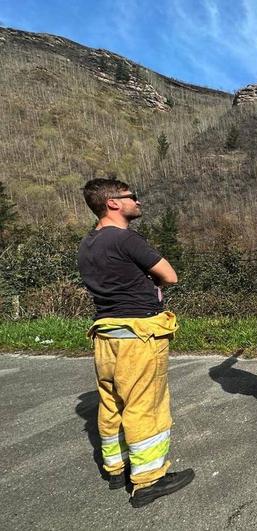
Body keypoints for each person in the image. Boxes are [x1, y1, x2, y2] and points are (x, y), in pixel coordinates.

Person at [78, 178, 194, 508]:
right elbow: (170, 275)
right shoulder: (127, 240)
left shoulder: (88, 243)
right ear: (113, 203)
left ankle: (116, 469)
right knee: (145, 405)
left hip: (106, 335)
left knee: (112, 403)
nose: (137, 202)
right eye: (132, 197)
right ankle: (148, 480)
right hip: (139, 335)